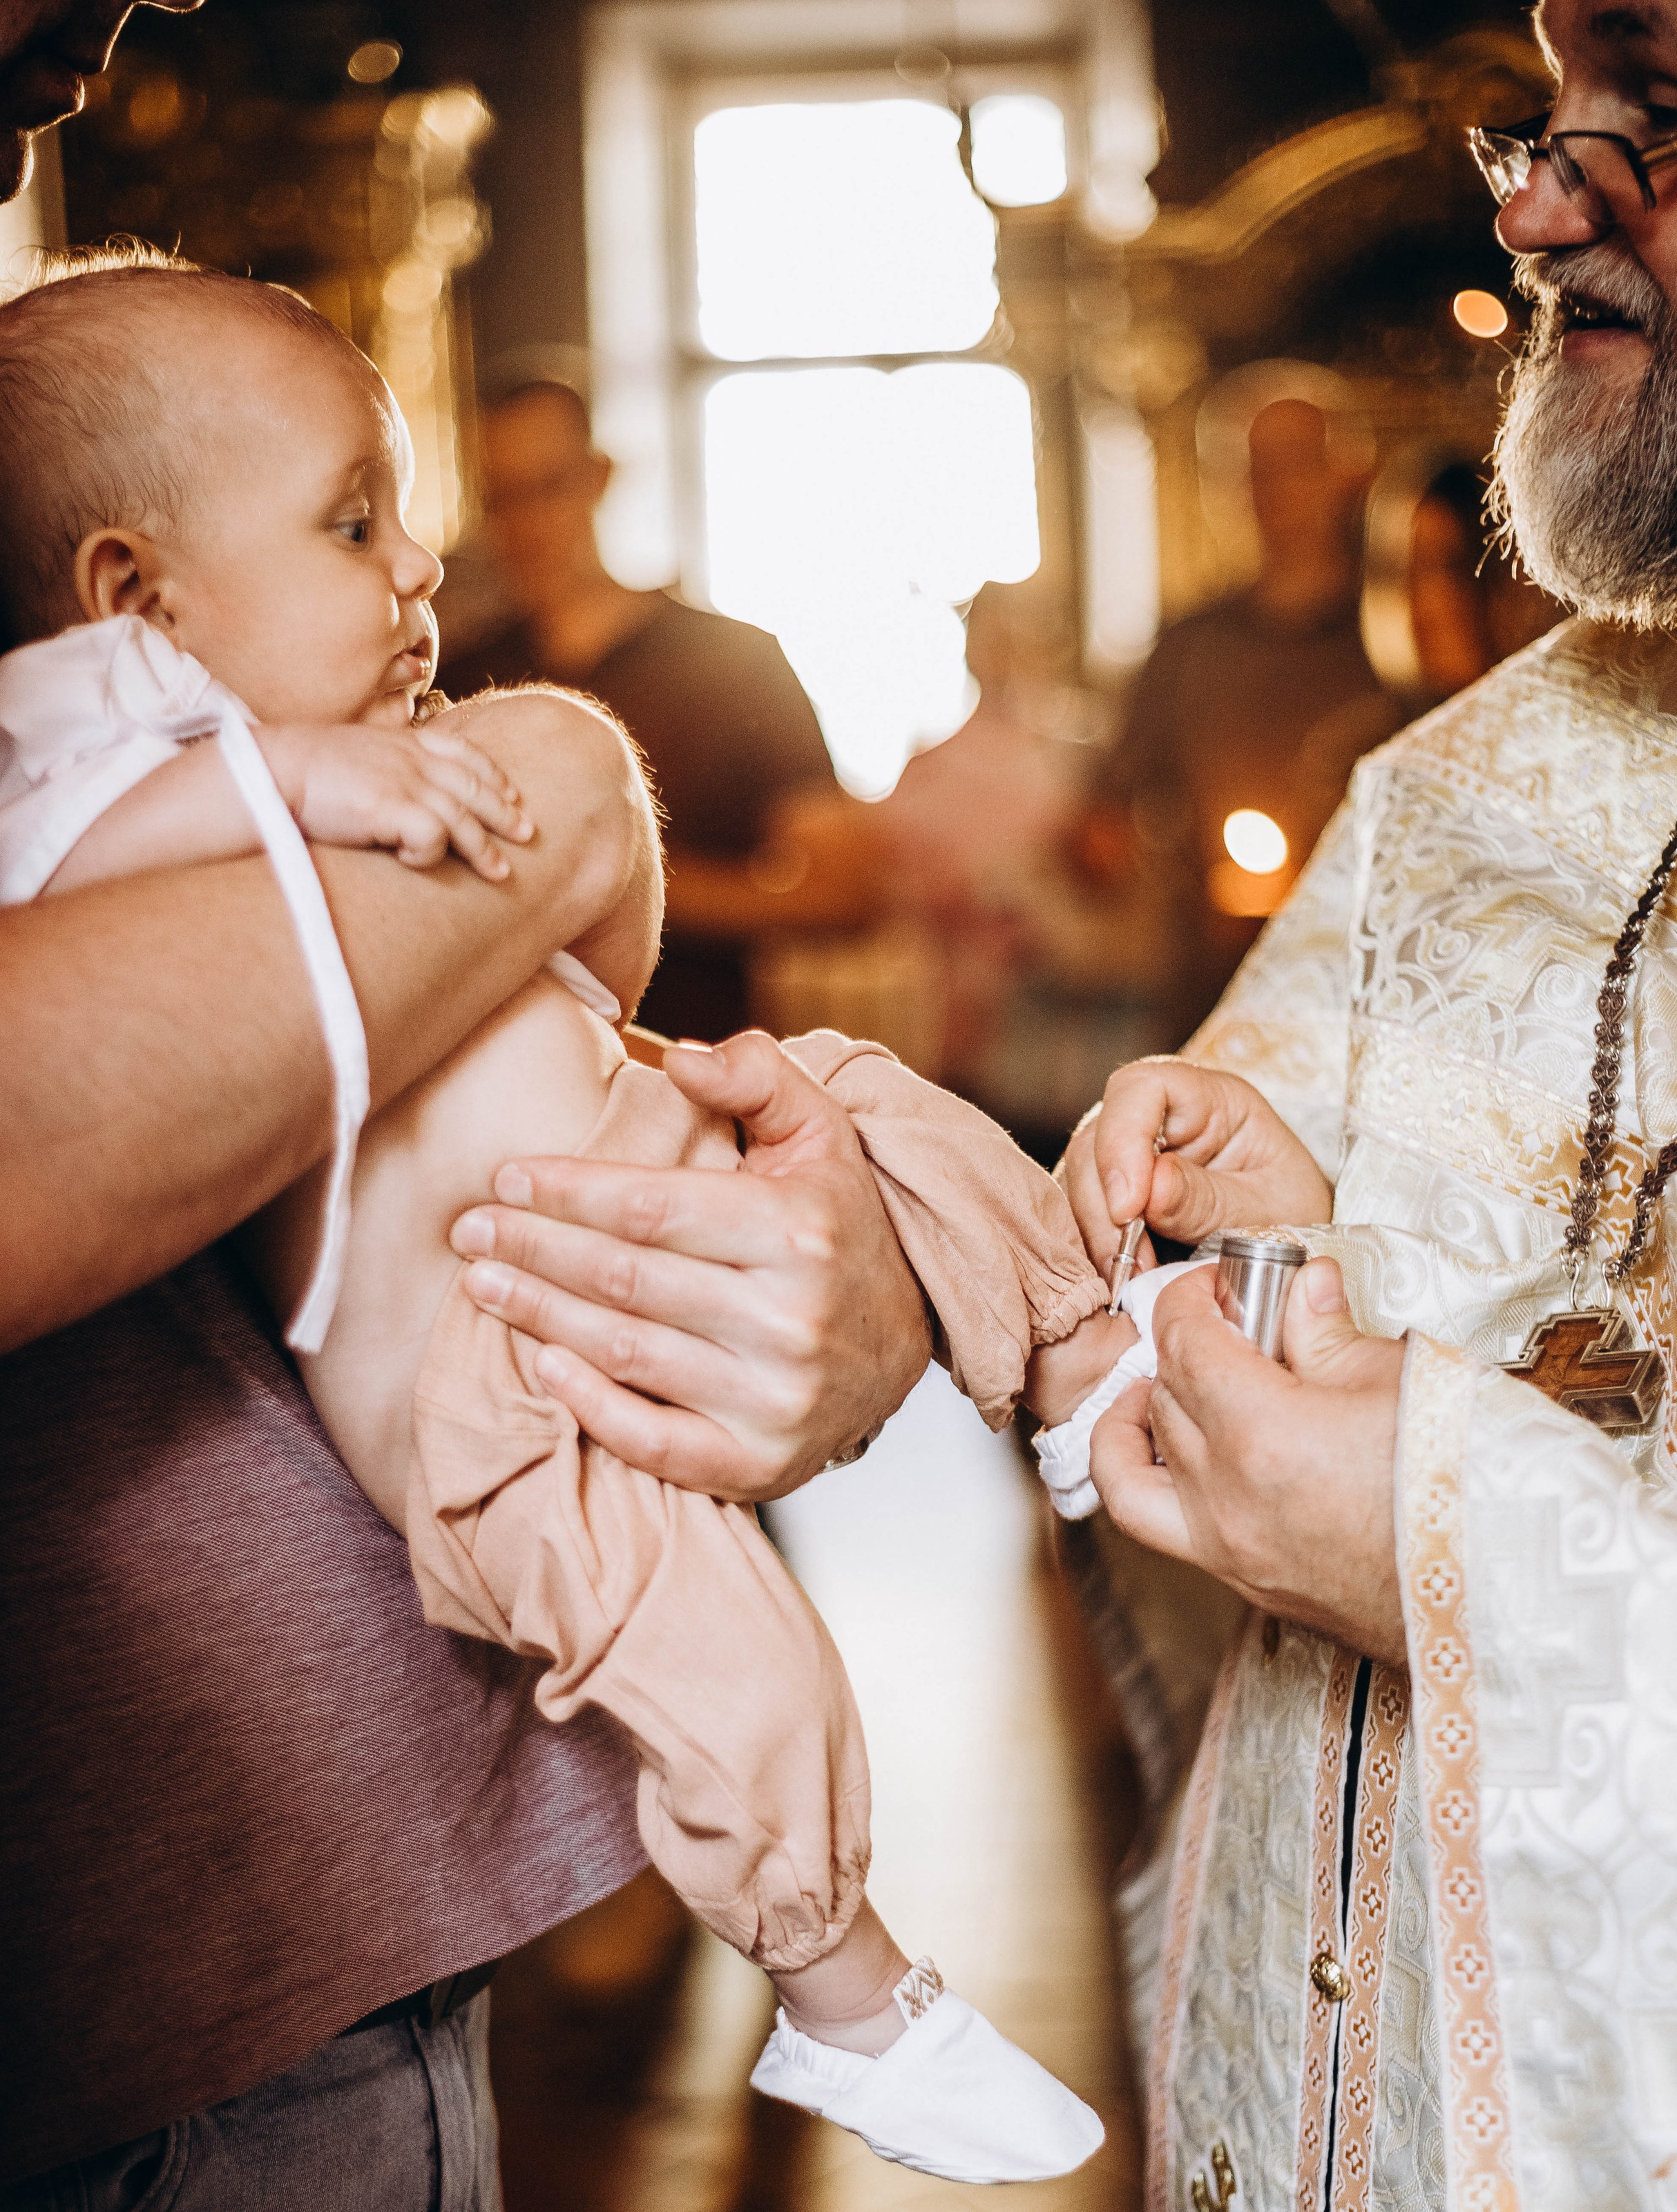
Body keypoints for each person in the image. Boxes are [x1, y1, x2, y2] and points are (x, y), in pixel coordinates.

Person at [0, 249, 1127, 2186]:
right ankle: (847, 1991)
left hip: (612, 1160)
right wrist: (318, 770)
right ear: (132, 607)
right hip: (489, 1391)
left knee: (885, 1113)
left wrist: (520, 789)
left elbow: (588, 872)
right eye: (355, 525)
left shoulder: (398, 740)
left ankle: (1092, 1376)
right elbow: (74, 846)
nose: (421, 572)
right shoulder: (94, 776)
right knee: (727, 1659)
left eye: (411, 520)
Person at [1044, 3, 1677, 2202]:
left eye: (1649, 115)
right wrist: (1289, 1227)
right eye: (1541, 127)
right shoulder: (1471, 773)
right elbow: (1272, 1220)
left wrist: (1456, 1556)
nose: (1543, 210)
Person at [440, 370, 856, 1043]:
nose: (528, 524)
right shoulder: (458, 675)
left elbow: (843, 892)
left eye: (549, 486)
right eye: (503, 498)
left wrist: (622, 875)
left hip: (695, 1066)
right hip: (512, 1068)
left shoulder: (736, 661)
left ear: (598, 476)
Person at [1092, 394, 1404, 1046]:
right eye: (1253, 470)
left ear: (1345, 472)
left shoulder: (1393, 641)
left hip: (1369, 997)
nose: (1275, 490)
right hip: (1217, 998)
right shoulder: (1187, 650)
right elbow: (1107, 816)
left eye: (1295, 464)